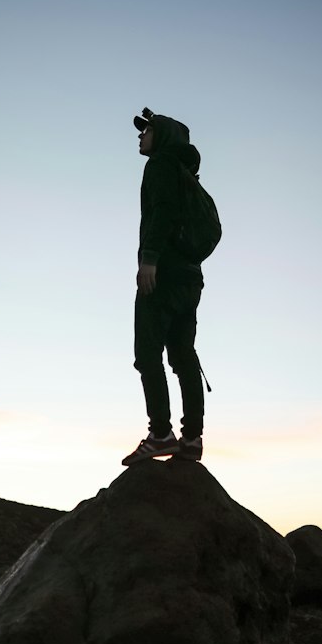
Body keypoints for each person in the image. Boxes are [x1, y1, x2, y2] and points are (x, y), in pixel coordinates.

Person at [122, 108, 207, 466]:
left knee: (147, 354)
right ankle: (192, 439)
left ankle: (160, 434)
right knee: (183, 356)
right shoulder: (187, 175)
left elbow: (162, 211)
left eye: (147, 131)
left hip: (165, 274)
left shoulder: (159, 166)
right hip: (191, 279)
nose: (140, 136)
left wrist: (149, 259)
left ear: (164, 137)